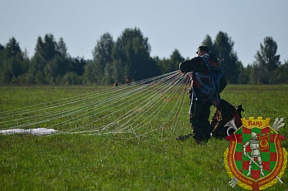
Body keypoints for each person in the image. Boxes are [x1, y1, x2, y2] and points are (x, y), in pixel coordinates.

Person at [178, 45, 221, 143]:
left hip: (199, 97)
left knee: (196, 119)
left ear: (200, 51)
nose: (198, 55)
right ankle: (205, 138)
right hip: (209, 97)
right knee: (204, 117)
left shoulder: (200, 61)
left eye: (198, 53)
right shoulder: (213, 63)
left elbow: (183, 66)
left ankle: (199, 140)